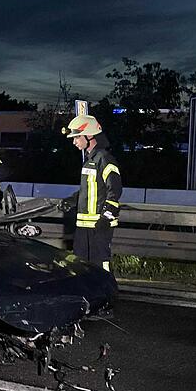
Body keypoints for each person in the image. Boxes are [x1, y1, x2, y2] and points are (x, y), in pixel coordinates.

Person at [63, 113, 122, 272]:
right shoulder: (90, 160)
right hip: (84, 226)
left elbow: (114, 191)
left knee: (100, 265)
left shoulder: (104, 159)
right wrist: (73, 200)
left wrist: (105, 218)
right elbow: (90, 190)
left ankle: (107, 293)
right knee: (80, 264)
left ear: (89, 136)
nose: (74, 141)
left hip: (99, 225)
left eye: (77, 137)